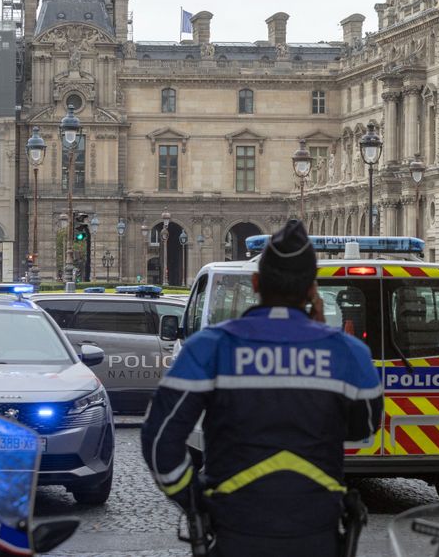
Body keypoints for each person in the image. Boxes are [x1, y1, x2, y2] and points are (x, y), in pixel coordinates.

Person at [142, 220, 383, 556]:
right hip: (316, 531)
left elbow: (158, 442)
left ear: (256, 283)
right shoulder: (348, 352)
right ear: (312, 290)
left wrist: (194, 502)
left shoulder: (210, 346)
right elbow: (365, 429)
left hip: (234, 528)